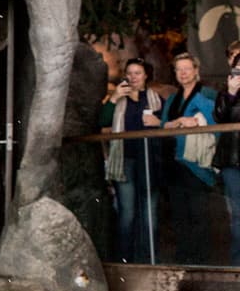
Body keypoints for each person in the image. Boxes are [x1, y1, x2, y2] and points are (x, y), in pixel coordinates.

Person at [151, 52, 216, 264]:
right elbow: (163, 125)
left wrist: (196, 121)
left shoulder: (207, 93)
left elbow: (216, 120)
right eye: (179, 69)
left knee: (199, 214)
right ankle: (185, 259)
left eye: (187, 68)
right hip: (173, 162)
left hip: (197, 163)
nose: (183, 73)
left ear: (196, 71)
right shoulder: (172, 98)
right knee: (179, 214)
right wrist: (174, 122)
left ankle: (202, 262)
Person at [99, 58, 162, 263]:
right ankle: (125, 260)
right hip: (125, 160)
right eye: (130, 73)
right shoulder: (119, 99)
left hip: (149, 160)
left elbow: (166, 126)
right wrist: (114, 97)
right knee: (127, 212)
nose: (133, 77)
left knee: (149, 212)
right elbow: (102, 121)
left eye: (138, 73)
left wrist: (158, 122)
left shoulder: (155, 98)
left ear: (146, 76)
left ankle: (149, 258)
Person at [213, 40, 240, 266]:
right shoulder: (226, 89)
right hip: (232, 159)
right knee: (237, 213)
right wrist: (231, 93)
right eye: (234, 58)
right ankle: (237, 263)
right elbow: (220, 118)